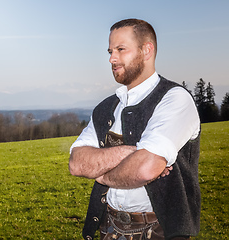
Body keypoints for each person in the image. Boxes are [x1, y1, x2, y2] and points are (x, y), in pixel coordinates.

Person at [69, 19, 201, 240]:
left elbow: (145, 169)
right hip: (108, 226)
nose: (112, 58)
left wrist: (101, 176)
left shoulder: (174, 99)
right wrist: (132, 153)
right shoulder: (105, 108)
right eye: (110, 51)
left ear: (146, 50)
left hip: (159, 229)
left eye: (121, 49)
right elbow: (77, 163)